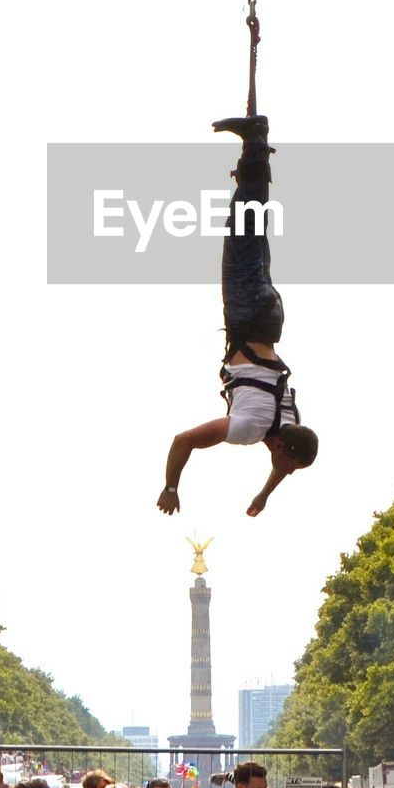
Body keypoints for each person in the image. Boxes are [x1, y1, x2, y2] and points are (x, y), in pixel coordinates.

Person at [157, 116, 318, 517]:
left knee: (253, 230)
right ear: (281, 448)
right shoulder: (250, 427)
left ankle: (257, 159)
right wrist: (171, 486)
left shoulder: (288, 422)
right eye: (289, 465)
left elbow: (281, 466)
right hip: (248, 311)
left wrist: (264, 494)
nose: (287, 473)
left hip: (268, 317)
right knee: (243, 225)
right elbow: (182, 440)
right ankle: (255, 144)